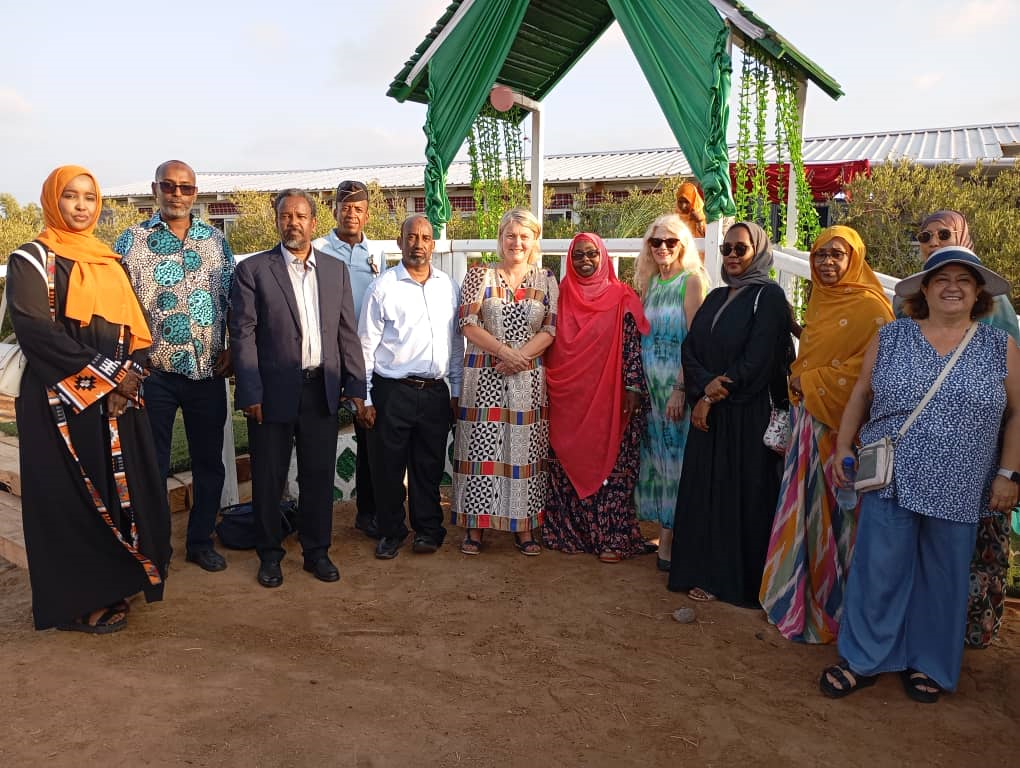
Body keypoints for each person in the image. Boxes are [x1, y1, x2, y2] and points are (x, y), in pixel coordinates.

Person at [820, 246, 1020, 703]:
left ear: (978, 293)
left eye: (964, 280)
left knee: (943, 576)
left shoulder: (999, 346)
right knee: (879, 570)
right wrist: (844, 446)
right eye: (941, 279)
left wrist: (1009, 473)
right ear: (924, 290)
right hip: (893, 476)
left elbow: (1018, 413)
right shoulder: (892, 336)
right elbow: (860, 394)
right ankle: (864, 658)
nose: (952, 287)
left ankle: (928, 662)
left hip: (962, 482)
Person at [7, 165, 169, 633]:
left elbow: (137, 330)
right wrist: (110, 380)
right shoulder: (31, 259)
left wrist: (130, 378)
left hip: (118, 405)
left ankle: (118, 582)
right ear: (52, 200)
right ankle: (80, 602)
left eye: (89, 197)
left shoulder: (109, 261)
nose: (81, 206)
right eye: (71, 196)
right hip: (60, 404)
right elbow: (38, 333)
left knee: (124, 492)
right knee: (72, 499)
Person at [759, 226, 893, 643]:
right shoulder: (820, 299)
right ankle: (798, 596)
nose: (828, 262)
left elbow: (872, 370)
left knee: (840, 518)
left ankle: (839, 605)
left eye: (838, 254)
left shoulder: (873, 307)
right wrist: (804, 380)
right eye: (820, 254)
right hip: (809, 423)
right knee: (806, 510)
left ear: (855, 258)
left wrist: (811, 380)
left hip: (843, 433)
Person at [229, 189, 367, 588]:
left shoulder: (334, 270)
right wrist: (250, 392)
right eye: (286, 216)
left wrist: (355, 383)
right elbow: (243, 335)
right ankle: (270, 555)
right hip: (272, 393)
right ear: (277, 220)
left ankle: (316, 552)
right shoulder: (254, 270)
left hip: (321, 389)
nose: (293, 223)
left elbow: (346, 332)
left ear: (313, 222)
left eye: (300, 216)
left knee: (318, 476)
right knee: (268, 477)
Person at [898, 210, 1019, 650]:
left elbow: (1013, 394)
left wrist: (1008, 468)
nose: (932, 240)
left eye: (944, 233)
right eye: (924, 235)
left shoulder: (994, 308)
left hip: (983, 448)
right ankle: (919, 630)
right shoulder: (907, 304)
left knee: (979, 541)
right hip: (923, 450)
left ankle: (966, 635)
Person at [115, 160, 235, 573]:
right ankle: (155, 548)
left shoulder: (215, 242)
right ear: (155, 189)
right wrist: (128, 364)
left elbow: (232, 299)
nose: (177, 194)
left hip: (207, 372)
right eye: (169, 186)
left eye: (185, 187)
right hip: (154, 374)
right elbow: (118, 310)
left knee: (209, 464)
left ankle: (200, 542)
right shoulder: (131, 242)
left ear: (195, 193)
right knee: (154, 466)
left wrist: (231, 345)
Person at [668, 221, 792, 605]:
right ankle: (699, 570)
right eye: (727, 249)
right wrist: (703, 386)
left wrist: (712, 395)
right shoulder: (717, 295)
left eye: (741, 249)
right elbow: (690, 348)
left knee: (737, 496)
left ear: (759, 251)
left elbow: (758, 359)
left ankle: (730, 581)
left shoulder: (769, 297)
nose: (733, 256)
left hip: (744, 413)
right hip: (709, 411)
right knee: (703, 493)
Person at [451, 208, 557, 556]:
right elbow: (467, 323)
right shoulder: (479, 275)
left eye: (524, 236)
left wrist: (519, 356)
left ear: (534, 240)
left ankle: (523, 527)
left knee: (524, 450)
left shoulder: (546, 279)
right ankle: (475, 527)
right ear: (501, 238)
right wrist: (503, 352)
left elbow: (550, 329)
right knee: (480, 449)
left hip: (527, 377)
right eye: (510, 235)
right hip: (484, 374)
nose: (517, 242)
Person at [359, 214, 463, 560]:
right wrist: (366, 397)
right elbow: (365, 348)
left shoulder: (448, 286)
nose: (418, 244)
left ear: (433, 244)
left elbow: (456, 343)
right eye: (412, 237)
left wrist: (456, 390)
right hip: (392, 391)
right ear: (400, 242)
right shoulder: (382, 288)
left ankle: (428, 530)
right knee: (387, 468)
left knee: (428, 466)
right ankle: (391, 532)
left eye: (425, 238)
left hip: (434, 392)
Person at [543, 233, 650, 563]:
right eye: (578, 255)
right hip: (567, 401)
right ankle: (570, 535)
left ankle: (612, 539)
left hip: (610, 400)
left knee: (613, 469)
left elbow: (632, 346)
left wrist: (633, 388)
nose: (585, 260)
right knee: (565, 465)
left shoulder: (622, 296)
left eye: (592, 254)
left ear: (603, 257)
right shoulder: (559, 296)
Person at [311, 180, 389, 541]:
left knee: (369, 437)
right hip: (327, 358)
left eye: (358, 209)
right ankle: (314, 517)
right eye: (345, 207)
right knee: (319, 440)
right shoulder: (317, 249)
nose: (351, 214)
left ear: (367, 214)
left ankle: (367, 512)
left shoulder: (376, 255)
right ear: (334, 211)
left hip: (364, 360)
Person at [633, 214, 707, 571]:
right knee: (658, 462)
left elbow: (695, 341)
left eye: (671, 242)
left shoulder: (690, 281)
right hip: (651, 388)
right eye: (656, 242)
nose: (663, 247)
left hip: (676, 387)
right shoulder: (650, 283)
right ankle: (664, 529)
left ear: (683, 245)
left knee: (677, 462)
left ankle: (671, 540)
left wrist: (681, 388)